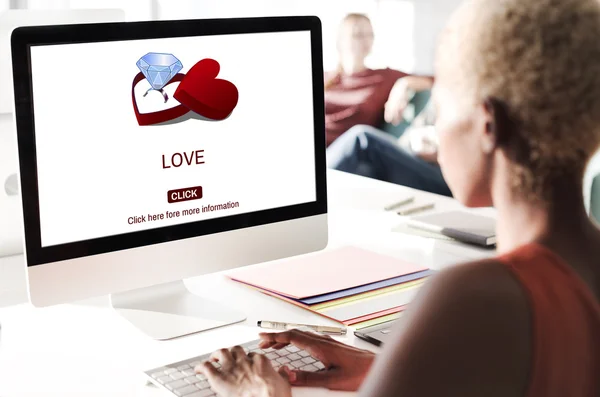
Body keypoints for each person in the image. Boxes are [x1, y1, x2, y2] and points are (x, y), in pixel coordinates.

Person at [196, 0, 600, 395]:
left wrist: (259, 392)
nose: (436, 130)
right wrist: (388, 370)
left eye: (440, 108)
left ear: (487, 125)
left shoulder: (475, 295)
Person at [323, 13, 434, 146]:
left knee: (360, 135)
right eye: (358, 35)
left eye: (370, 35)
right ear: (341, 41)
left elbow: (435, 80)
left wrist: (404, 84)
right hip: (314, 149)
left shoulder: (382, 78)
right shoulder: (324, 78)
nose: (366, 40)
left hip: (352, 150)